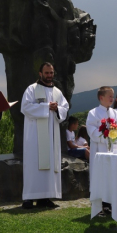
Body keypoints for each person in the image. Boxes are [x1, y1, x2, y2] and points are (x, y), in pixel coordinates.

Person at [21, 62, 70, 209]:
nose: (49, 75)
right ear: (40, 74)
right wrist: (46, 106)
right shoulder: (32, 89)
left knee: (49, 165)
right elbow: (25, 107)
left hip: (51, 136)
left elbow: (65, 108)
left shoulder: (57, 92)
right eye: (46, 73)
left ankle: (45, 197)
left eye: (51, 72)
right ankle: (29, 198)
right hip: (34, 136)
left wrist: (57, 109)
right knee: (33, 164)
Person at [86, 86, 117, 216]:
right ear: (101, 98)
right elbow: (91, 131)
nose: (112, 98)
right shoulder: (94, 113)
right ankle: (99, 205)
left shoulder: (116, 113)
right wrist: (105, 134)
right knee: (100, 176)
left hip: (113, 150)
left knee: (111, 176)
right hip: (100, 150)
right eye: (109, 96)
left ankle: (109, 204)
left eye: (112, 96)